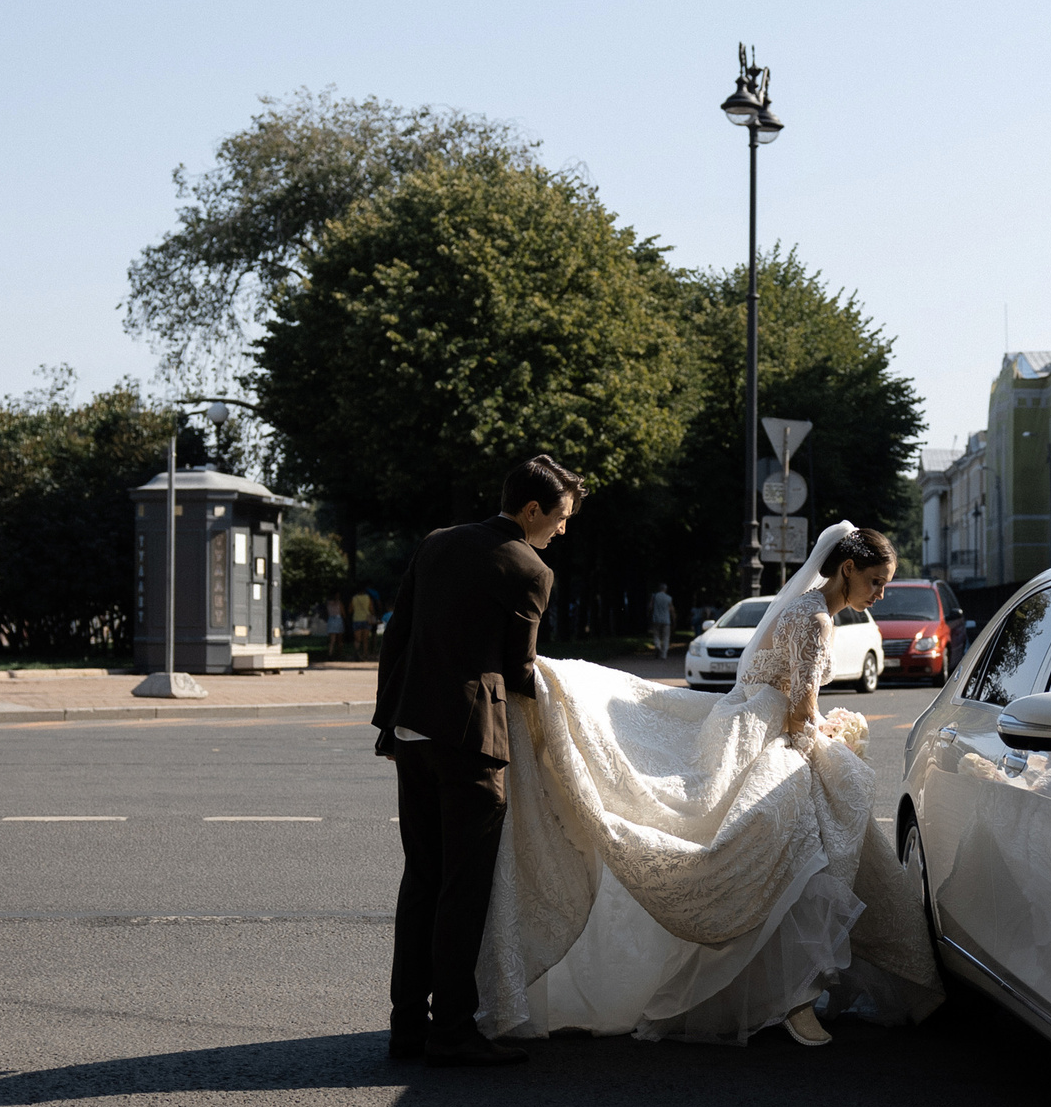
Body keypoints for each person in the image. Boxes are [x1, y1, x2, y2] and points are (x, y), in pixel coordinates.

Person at [477, 521, 943, 1050]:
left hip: (749, 723)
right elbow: (800, 712)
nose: (881, 594)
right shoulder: (815, 619)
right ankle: (795, 996)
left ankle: (791, 990)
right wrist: (835, 738)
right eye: (877, 582)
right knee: (802, 857)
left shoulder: (807, 608)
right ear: (849, 568)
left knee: (796, 857)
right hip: (773, 734)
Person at [373, 456, 578, 1067]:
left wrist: (389, 722)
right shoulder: (530, 568)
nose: (563, 529)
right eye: (561, 517)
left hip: (412, 731)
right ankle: (453, 1032)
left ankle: (406, 1028)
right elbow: (519, 670)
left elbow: (397, 636)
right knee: (462, 893)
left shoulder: (437, 543)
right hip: (470, 743)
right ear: (532, 510)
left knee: (421, 881)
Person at [350, 586, 378, 660]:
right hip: (366, 619)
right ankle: (365, 655)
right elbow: (371, 609)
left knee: (357, 639)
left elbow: (350, 609)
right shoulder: (368, 598)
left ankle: (356, 653)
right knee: (365, 639)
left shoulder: (354, 598)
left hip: (356, 619)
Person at [649, 583, 675, 660]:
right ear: (665, 589)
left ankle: (657, 646)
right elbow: (672, 609)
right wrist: (674, 619)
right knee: (666, 637)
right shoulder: (669, 598)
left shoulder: (654, 596)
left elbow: (650, 606)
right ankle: (664, 655)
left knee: (656, 635)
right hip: (666, 620)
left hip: (656, 619)